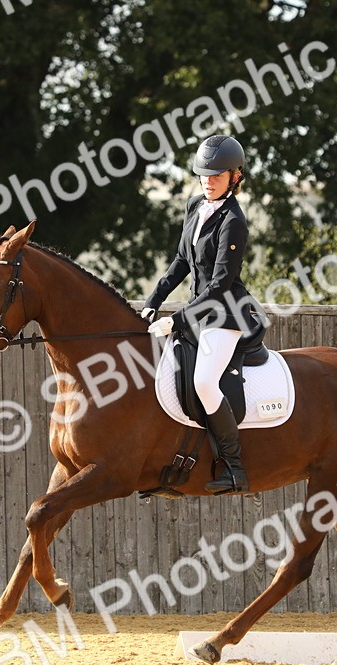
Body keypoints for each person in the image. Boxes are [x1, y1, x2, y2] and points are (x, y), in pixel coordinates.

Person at [141, 134, 260, 494]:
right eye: (203, 175)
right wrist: (154, 299)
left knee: (204, 383)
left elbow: (222, 283)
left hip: (225, 315)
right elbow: (181, 261)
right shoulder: (195, 206)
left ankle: (234, 467)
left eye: (217, 176)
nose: (208, 181)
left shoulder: (234, 221)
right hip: (198, 310)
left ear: (235, 177)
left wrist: (177, 319)